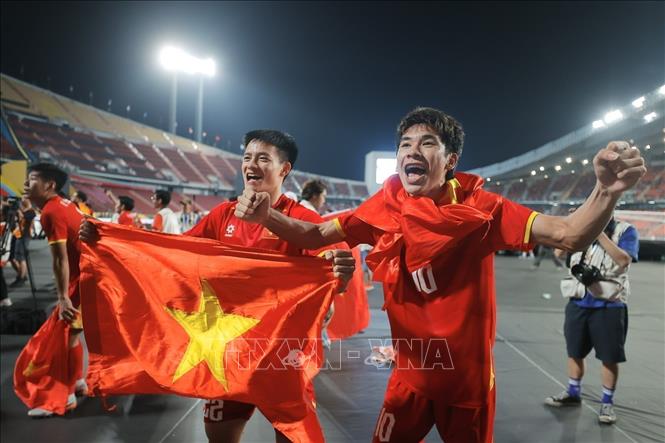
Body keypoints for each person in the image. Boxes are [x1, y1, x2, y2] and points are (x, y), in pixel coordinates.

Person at [234, 107, 646, 443]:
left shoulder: (482, 209)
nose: (412, 151)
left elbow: (568, 233)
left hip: (465, 386)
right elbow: (315, 234)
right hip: (410, 377)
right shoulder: (385, 204)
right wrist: (267, 215)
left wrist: (607, 192)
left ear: (450, 161)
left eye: (427, 143)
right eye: (405, 144)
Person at [80, 129, 354, 443]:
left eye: (263, 158)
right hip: (227, 348)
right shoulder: (223, 216)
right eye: (248, 157)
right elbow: (171, 255)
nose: (252, 163)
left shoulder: (302, 219)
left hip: (280, 353)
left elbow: (334, 265)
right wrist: (110, 241)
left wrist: (339, 269)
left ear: (284, 169)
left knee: (293, 436)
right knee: (219, 435)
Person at [545, 216, 638, 425]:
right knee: (574, 351)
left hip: (609, 304)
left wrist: (598, 233)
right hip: (578, 301)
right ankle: (573, 392)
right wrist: (570, 232)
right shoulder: (581, 228)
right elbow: (558, 253)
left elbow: (624, 260)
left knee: (609, 356)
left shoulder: (625, 231)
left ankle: (607, 402)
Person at [21, 163, 87, 417]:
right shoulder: (64, 204)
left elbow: (60, 259)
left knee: (63, 336)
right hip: (87, 276)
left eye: (34, 178)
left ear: (50, 184)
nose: (28, 183)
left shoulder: (51, 213)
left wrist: (63, 298)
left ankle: (66, 395)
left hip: (81, 281)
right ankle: (78, 382)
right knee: (73, 333)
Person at [299, 179, 335, 348]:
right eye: (323, 196)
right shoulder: (307, 213)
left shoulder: (303, 210)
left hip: (305, 269)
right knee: (324, 308)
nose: (324, 200)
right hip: (308, 270)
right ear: (315, 196)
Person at [8, 197, 36, 288]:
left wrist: (20, 212)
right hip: (19, 235)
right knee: (18, 257)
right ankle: (21, 276)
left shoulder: (31, 211)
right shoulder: (24, 210)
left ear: (28, 200)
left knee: (21, 257)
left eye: (24, 198)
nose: (22, 200)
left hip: (25, 236)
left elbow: (26, 218)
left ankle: (21, 277)